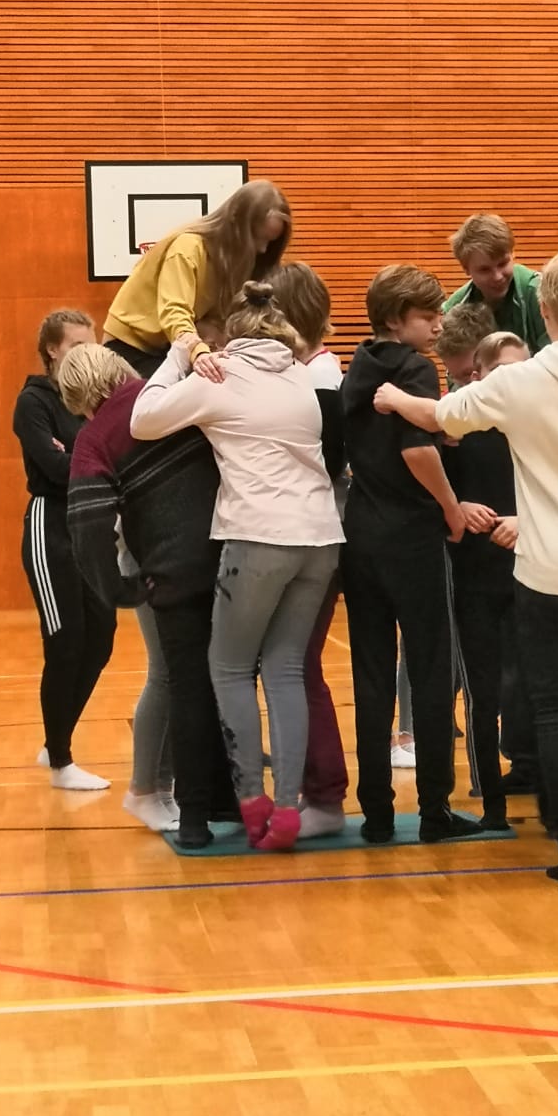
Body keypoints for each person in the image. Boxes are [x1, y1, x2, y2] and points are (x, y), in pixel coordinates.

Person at [376, 252, 558, 885]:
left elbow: (442, 417)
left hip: (548, 575)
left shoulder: (524, 380)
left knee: (556, 712)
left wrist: (393, 396)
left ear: (545, 309)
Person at [131, 283, 344, 853]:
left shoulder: (220, 374)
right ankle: (290, 808)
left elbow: (142, 420)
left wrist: (180, 353)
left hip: (257, 537)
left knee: (227, 668)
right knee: (285, 670)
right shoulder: (301, 376)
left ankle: (252, 802)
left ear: (230, 333)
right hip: (321, 538)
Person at [58, 343, 238, 848]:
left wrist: (122, 590)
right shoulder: (169, 396)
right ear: (117, 368)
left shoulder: (93, 439)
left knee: (177, 679)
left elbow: (87, 529)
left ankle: (168, 795)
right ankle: (170, 791)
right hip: (227, 555)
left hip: (162, 570)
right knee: (207, 679)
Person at [342, 265, 482, 846]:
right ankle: (433, 809)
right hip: (411, 535)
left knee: (371, 673)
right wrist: (451, 508)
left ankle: (375, 811)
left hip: (360, 533)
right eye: (429, 316)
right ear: (398, 319)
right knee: (429, 668)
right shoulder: (415, 368)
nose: (439, 324)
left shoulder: (357, 366)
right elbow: (416, 452)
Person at [12, 309, 116, 792]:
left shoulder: (94, 398)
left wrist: (77, 454)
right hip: (50, 523)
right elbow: (55, 470)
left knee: (102, 636)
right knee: (66, 638)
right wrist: (88, 457)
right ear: (53, 350)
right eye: (76, 344)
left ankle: (57, 736)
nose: (86, 352)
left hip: (90, 525)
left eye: (91, 344)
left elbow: (113, 456)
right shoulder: (33, 401)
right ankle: (61, 761)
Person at [265, 260, 349, 838]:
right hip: (303, 534)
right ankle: (307, 787)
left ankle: (323, 794)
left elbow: (324, 463)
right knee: (288, 664)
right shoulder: (307, 376)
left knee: (295, 664)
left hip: (314, 537)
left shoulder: (318, 381)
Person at [440, 328, 532, 833]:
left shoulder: (539, 428)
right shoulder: (458, 428)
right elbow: (434, 490)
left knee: (536, 684)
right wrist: (458, 506)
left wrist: (527, 521)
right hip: (475, 575)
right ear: (477, 376)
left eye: (521, 371)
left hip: (533, 574)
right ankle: (490, 801)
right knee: (482, 692)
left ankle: (545, 782)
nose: (513, 382)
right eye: (501, 372)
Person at [102, 179, 291, 378]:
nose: (262, 249)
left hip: (167, 347)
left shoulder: (234, 262)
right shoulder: (188, 248)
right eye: (257, 237)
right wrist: (198, 351)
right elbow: (175, 311)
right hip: (130, 347)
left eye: (269, 242)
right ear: (235, 222)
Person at [443, 213, 549, 354]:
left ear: (513, 253)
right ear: (466, 269)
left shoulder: (540, 294)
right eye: (485, 270)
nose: (497, 277)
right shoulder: (454, 308)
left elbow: (556, 358)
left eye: (502, 264)